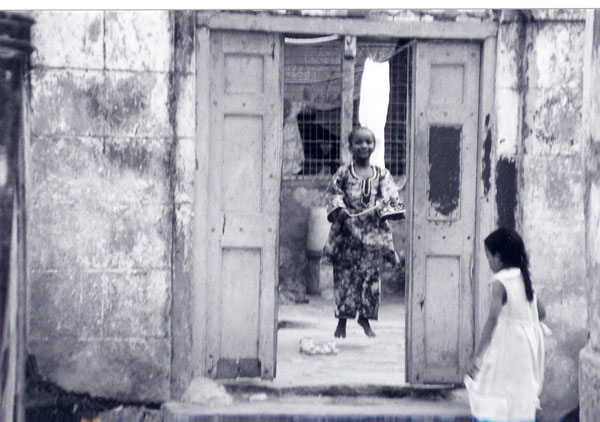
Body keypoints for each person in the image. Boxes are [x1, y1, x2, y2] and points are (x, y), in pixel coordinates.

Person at [322, 126, 405, 338]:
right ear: (350, 146)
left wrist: (389, 209)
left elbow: (391, 198)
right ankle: (342, 322)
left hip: (371, 238)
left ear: (374, 146)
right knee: (345, 279)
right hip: (347, 236)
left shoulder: (382, 175)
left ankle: (365, 319)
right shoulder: (343, 173)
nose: (364, 146)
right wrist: (340, 210)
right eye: (358, 142)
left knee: (370, 279)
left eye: (368, 142)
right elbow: (333, 194)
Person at [465, 227, 547, 422]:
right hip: (527, 346)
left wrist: (478, 355)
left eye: (488, 257)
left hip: (507, 344)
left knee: (493, 387)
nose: (488, 262)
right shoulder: (525, 278)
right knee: (519, 392)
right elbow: (541, 313)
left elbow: (492, 319)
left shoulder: (500, 282)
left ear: (499, 257)